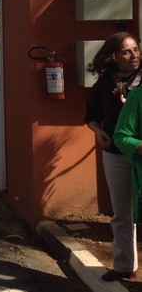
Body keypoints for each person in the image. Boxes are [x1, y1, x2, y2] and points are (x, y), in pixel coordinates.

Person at [86, 32, 142, 282]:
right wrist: (98, 132)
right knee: (122, 213)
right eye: (127, 52)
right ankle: (123, 265)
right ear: (114, 57)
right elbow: (90, 115)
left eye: (136, 50)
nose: (134, 55)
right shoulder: (104, 84)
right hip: (116, 155)